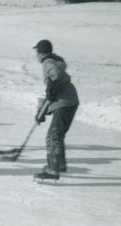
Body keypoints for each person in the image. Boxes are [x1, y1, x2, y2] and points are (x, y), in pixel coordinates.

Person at [33, 39, 79, 180]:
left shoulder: (48, 62)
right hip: (69, 101)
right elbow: (50, 94)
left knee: (53, 136)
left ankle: (53, 170)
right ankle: (59, 165)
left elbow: (56, 77)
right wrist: (41, 112)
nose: (36, 55)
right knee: (57, 135)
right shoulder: (54, 61)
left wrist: (52, 87)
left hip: (64, 102)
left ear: (40, 53)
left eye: (37, 52)